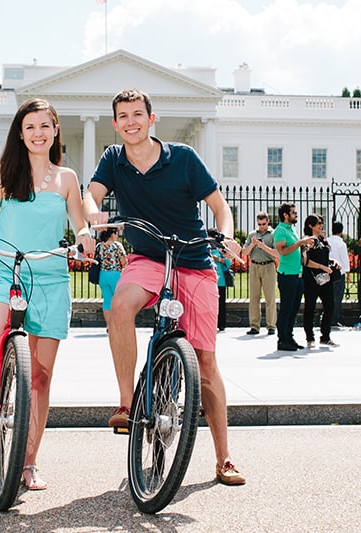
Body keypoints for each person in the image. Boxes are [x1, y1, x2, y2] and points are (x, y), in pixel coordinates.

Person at [83, 88, 246, 486]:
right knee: (119, 306)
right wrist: (93, 220)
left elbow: (220, 207)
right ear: (115, 123)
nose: (131, 122)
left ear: (151, 118)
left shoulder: (184, 158)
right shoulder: (113, 159)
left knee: (206, 364)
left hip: (193, 261)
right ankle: (126, 402)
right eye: (123, 116)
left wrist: (225, 235)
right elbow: (92, 194)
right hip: (148, 259)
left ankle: (224, 458)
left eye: (138, 114)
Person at [0, 98, 92, 490]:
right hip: (8, 271)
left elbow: (78, 225)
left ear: (55, 130)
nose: (38, 133)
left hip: (52, 277)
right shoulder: (4, 174)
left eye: (45, 126)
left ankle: (28, 462)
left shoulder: (68, 178)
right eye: (30, 127)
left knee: (40, 378)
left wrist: (85, 237)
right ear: (20, 134)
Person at [273, 203, 315, 351]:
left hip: (297, 275)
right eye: (293, 213)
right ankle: (282, 340)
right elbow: (282, 251)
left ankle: (289, 338)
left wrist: (304, 246)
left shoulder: (292, 229)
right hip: (287, 276)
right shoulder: (280, 231)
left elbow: (295, 248)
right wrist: (300, 243)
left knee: (294, 308)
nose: (296, 215)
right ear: (285, 215)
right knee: (286, 309)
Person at [301, 214, 340, 348]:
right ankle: (309, 337)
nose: (321, 226)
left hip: (325, 278)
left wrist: (333, 262)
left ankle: (325, 336)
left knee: (330, 305)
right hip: (312, 278)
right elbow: (306, 261)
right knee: (310, 307)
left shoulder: (322, 239)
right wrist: (322, 267)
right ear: (311, 226)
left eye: (321, 223)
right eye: (318, 223)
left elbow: (324, 256)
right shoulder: (308, 241)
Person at [241, 212, 278, 335]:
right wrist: (253, 244)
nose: (261, 227)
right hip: (255, 266)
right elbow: (244, 253)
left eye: (264, 224)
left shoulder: (273, 234)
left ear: (268, 221)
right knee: (254, 297)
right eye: (259, 224)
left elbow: (276, 253)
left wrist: (262, 246)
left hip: (268, 266)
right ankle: (254, 326)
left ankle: (271, 325)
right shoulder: (252, 234)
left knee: (270, 297)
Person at [97, 227, 127, 329]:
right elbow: (123, 261)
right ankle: (118, 324)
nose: (117, 236)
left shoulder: (99, 246)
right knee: (119, 300)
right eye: (117, 233)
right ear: (112, 234)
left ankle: (109, 326)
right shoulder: (117, 245)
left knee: (107, 301)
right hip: (115, 275)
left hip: (103, 275)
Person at [326, 221, 350, 328]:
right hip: (338, 272)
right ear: (341, 231)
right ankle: (334, 319)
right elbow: (345, 261)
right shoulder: (341, 244)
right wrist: (347, 274)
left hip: (327, 270)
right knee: (337, 297)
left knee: (328, 296)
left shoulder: (327, 241)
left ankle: (326, 317)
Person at [212, 247, 232, 331]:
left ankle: (221, 324)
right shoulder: (205, 249)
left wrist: (218, 259)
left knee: (221, 304)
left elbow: (228, 262)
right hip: (210, 281)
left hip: (221, 281)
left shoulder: (220, 251)